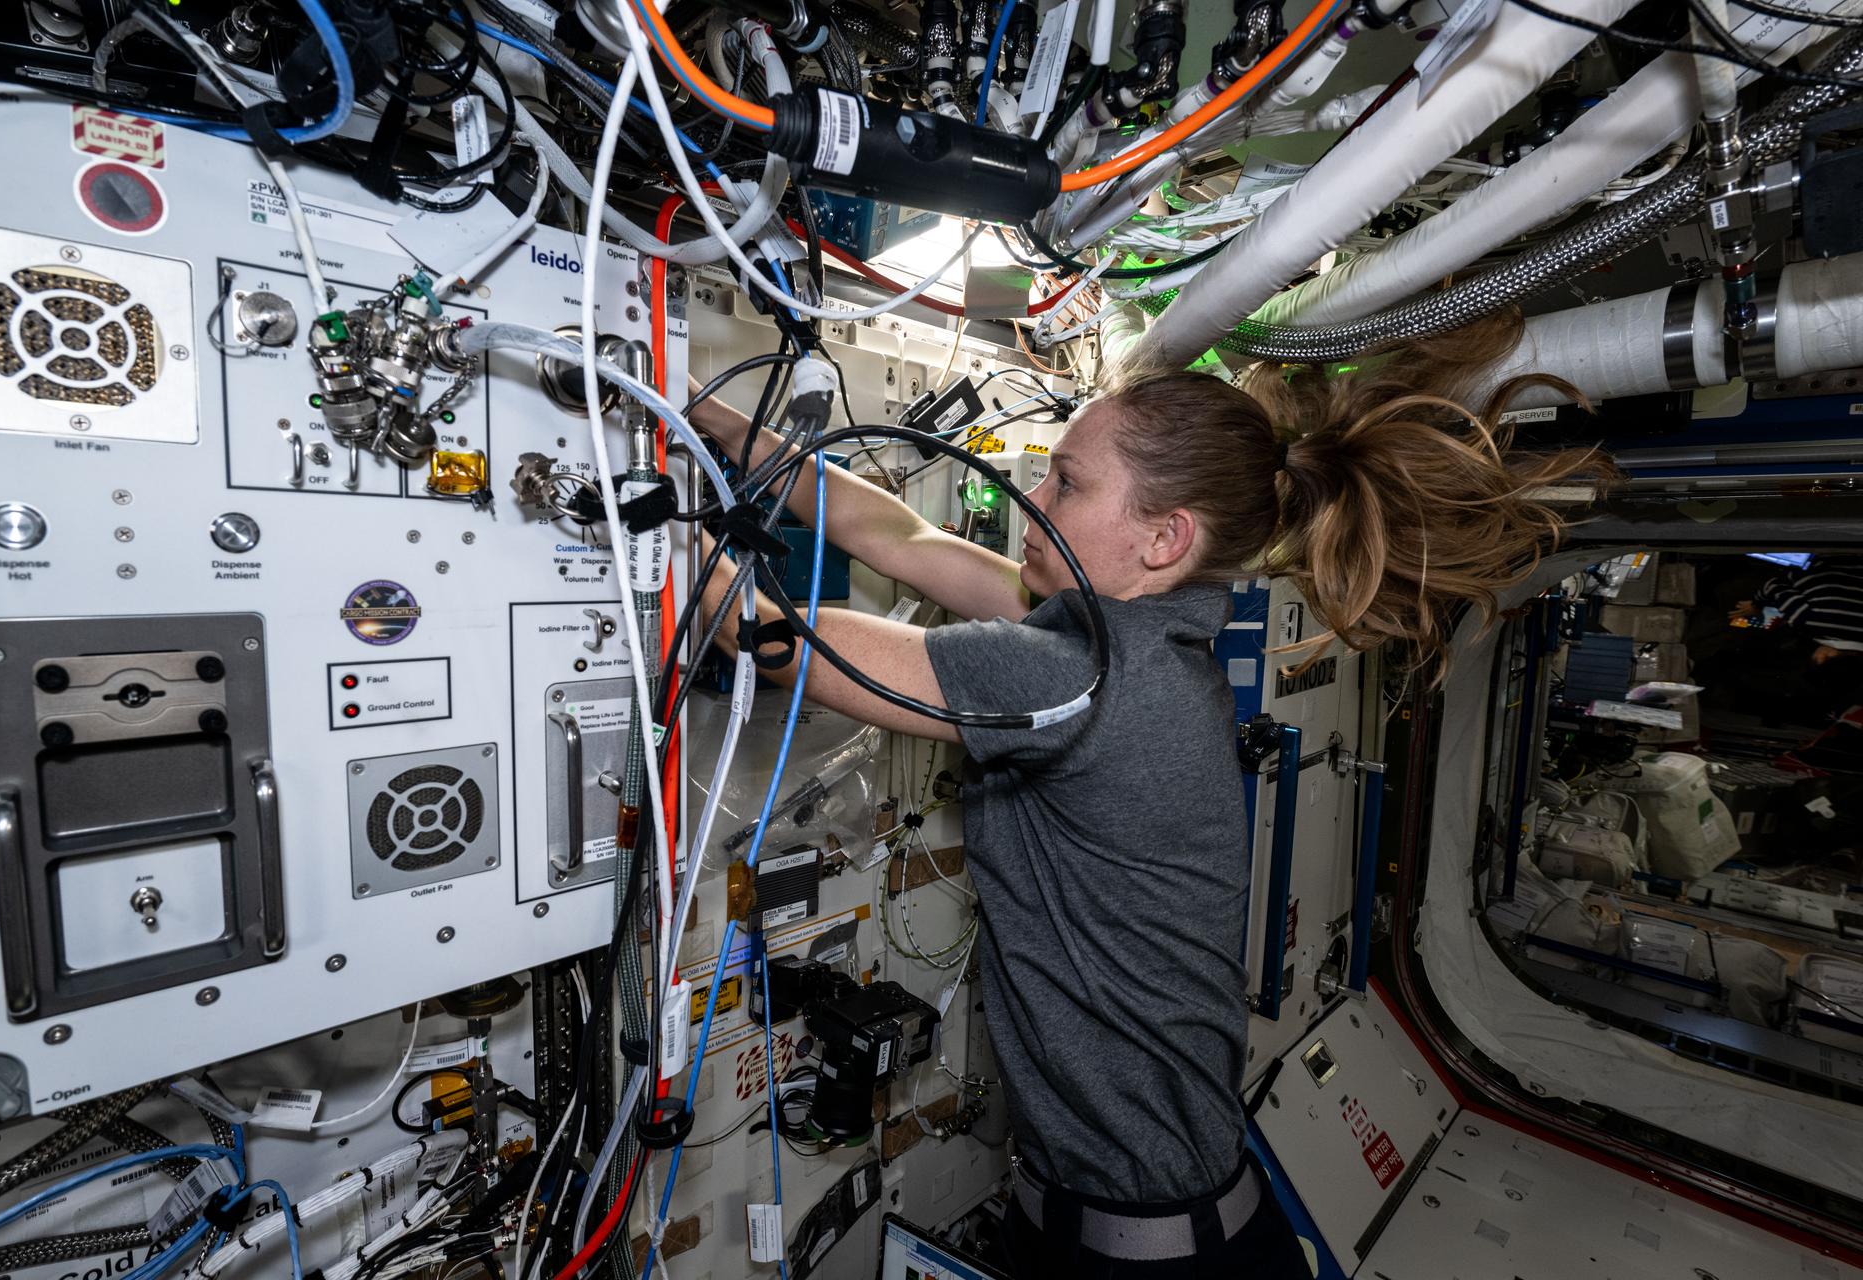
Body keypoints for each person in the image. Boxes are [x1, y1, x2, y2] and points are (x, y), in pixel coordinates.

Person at [684, 316, 1607, 1280]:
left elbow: (776, 639)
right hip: (1136, 1227)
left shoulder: (1081, 686)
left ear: (1164, 540)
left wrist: (631, 502)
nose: (1031, 501)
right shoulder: (1129, 647)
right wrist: (721, 427)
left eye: (1067, 483)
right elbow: (900, 535)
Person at [1733, 557, 1863, 665]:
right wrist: (1756, 604)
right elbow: (1773, 585)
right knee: (1737, 618)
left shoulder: (1809, 622)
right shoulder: (1808, 622)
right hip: (1819, 560)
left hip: (1856, 559)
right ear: (1823, 658)